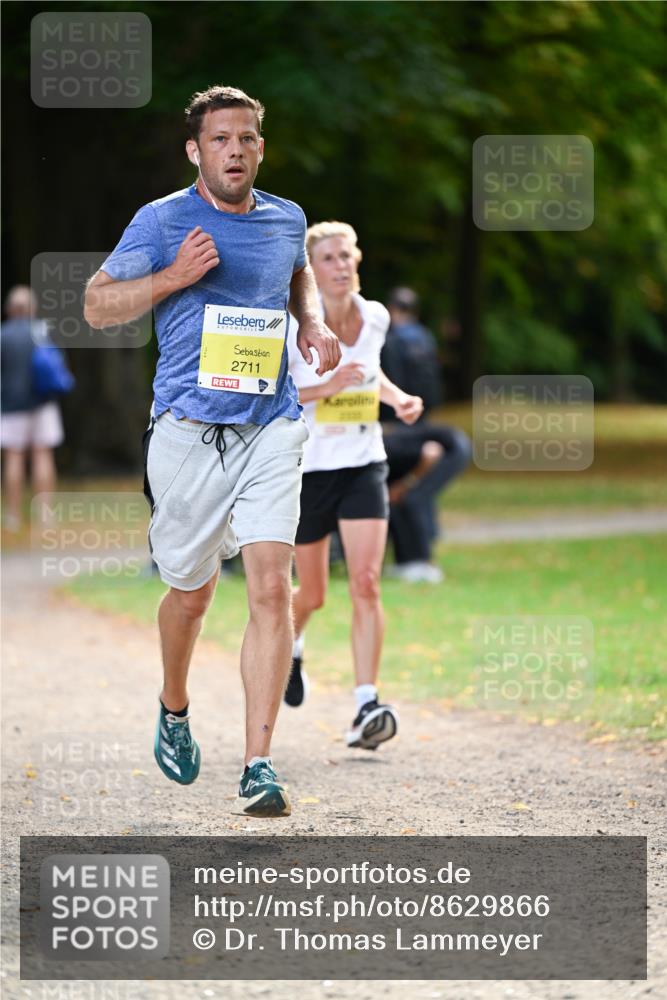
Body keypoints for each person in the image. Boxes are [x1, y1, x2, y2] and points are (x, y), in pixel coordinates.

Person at [84, 85, 340, 817]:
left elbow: (295, 276)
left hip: (271, 424)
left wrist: (312, 325)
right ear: (196, 151)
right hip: (187, 433)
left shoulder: (286, 217)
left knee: (267, 586)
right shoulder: (162, 221)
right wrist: (174, 277)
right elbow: (97, 305)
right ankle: (173, 705)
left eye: (248, 138)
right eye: (221, 139)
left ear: (261, 147)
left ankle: (258, 764)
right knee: (191, 592)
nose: (236, 149)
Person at [285, 222, 423, 749]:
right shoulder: (293, 324)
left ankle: (367, 703)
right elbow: (280, 395)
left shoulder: (376, 317)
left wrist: (397, 398)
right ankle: (291, 648)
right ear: (311, 270)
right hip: (309, 469)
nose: (340, 265)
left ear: (357, 261)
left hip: (364, 462)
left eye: (346, 255)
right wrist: (327, 385)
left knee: (366, 581)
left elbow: (370, 373)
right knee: (314, 593)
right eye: (328, 258)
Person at [381, 287, 471, 583]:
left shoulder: (393, 341)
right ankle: (417, 552)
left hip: (404, 424)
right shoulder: (424, 338)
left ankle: (418, 560)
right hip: (422, 419)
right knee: (414, 490)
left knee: (409, 491)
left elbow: (393, 381)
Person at [0, 286, 65, 532]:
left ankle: (13, 516)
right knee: (43, 455)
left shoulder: (2, 336)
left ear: (9, 310)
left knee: (14, 457)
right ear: (32, 308)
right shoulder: (43, 332)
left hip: (10, 405)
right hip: (43, 403)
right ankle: (46, 515)